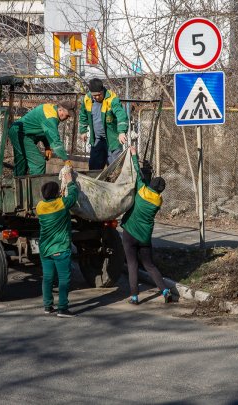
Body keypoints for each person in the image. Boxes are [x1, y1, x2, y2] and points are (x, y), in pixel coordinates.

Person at [120, 145, 171, 305]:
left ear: (150, 184)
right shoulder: (158, 201)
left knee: (133, 265)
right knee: (149, 265)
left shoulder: (141, 190)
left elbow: (136, 171)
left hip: (130, 233)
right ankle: (165, 290)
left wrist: (134, 154)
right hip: (145, 237)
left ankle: (135, 297)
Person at [36, 172, 79, 318]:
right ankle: (62, 308)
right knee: (64, 279)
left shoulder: (40, 207)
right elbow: (73, 196)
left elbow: (55, 203)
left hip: (45, 249)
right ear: (56, 194)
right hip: (60, 248)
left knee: (47, 278)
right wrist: (70, 182)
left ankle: (48, 306)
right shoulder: (62, 204)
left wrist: (58, 194)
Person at [8, 102, 75, 176]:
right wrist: (66, 160)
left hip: (17, 131)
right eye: (67, 115)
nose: (67, 118)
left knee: (21, 163)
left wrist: (47, 146)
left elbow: (44, 131)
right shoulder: (51, 117)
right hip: (20, 134)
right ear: (60, 110)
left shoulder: (51, 109)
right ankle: (35, 186)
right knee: (38, 163)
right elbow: (56, 142)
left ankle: (18, 186)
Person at [78, 78, 129, 170]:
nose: (97, 97)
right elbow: (83, 115)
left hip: (113, 140)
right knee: (94, 168)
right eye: (94, 95)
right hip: (97, 140)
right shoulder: (87, 99)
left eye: (99, 95)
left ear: (102, 90)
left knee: (115, 168)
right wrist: (83, 131)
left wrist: (122, 132)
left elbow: (121, 115)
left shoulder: (112, 99)